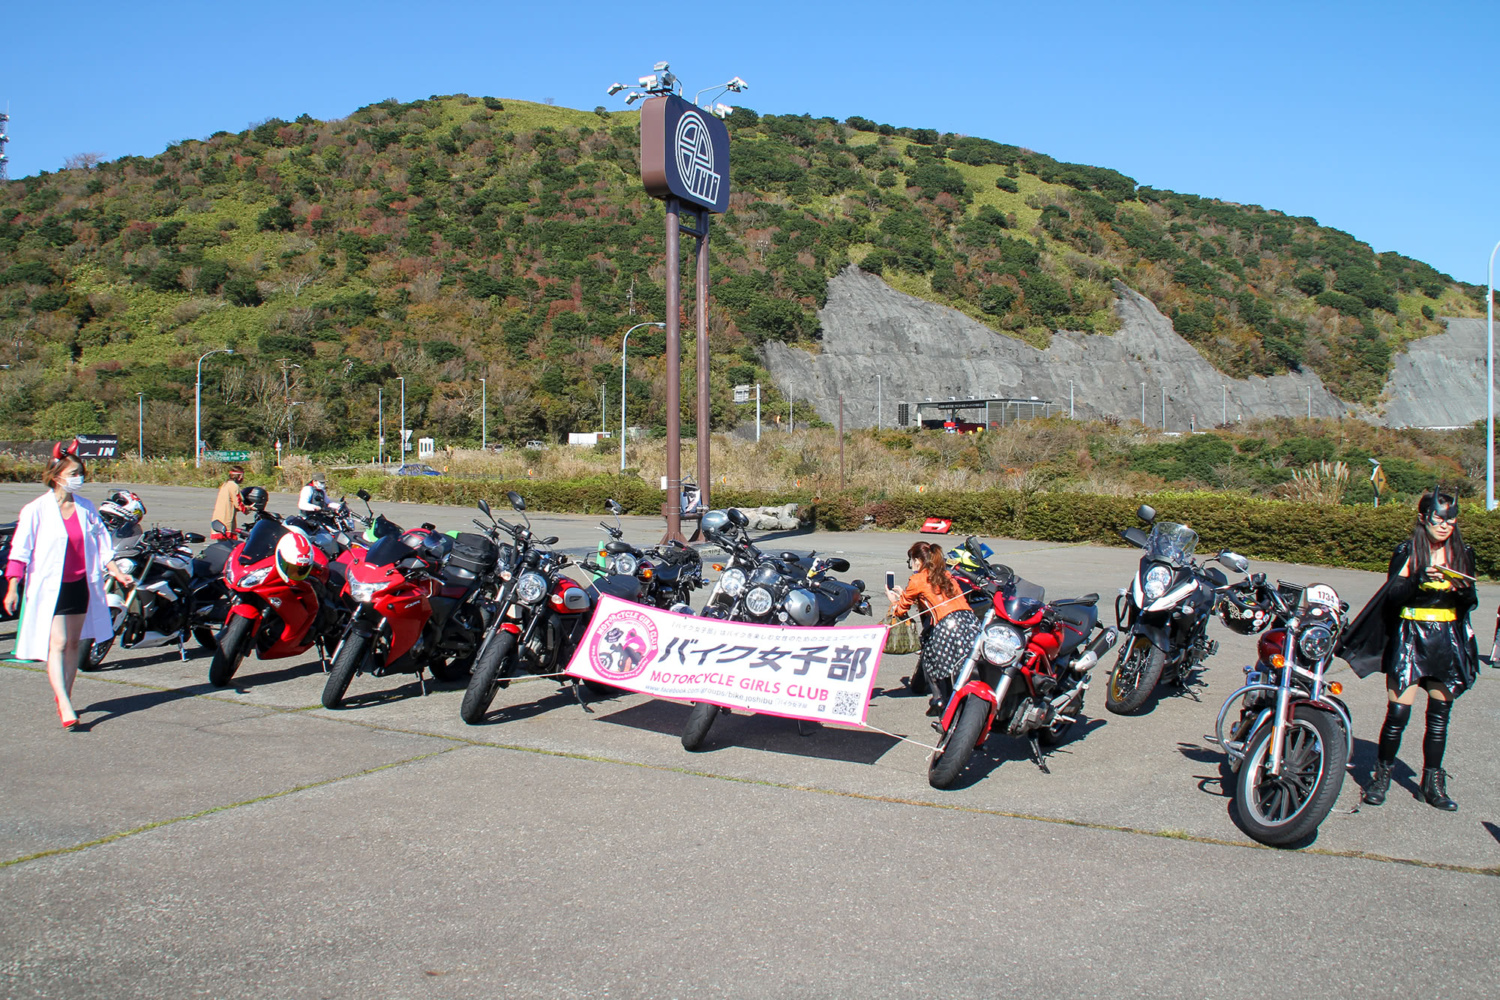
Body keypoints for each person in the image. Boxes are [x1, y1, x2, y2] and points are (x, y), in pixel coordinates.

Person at [1338, 489, 1477, 811]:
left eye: (1451, 520)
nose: (1445, 525)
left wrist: (1463, 590)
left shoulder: (1463, 552)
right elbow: (1393, 596)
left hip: (1447, 639)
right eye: (1438, 519)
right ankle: (1380, 777)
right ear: (1423, 518)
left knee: (1439, 717)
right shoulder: (1407, 550)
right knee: (1398, 714)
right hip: (1411, 637)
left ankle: (1432, 784)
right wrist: (1417, 579)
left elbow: (1471, 602)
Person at [2, 440, 133, 730]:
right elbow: (20, 551)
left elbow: (102, 545)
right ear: (56, 475)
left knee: (74, 642)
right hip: (51, 587)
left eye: (81, 473)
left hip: (81, 584)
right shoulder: (36, 510)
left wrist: (116, 572)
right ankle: (63, 701)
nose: (79, 478)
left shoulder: (86, 508)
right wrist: (12, 586)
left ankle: (66, 695)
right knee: (58, 643)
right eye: (74, 473)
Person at [886, 541, 981, 717]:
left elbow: (901, 610)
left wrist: (894, 600)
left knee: (931, 658)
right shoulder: (946, 574)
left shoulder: (917, 579)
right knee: (964, 661)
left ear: (917, 560)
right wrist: (906, 594)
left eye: (910, 560)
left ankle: (939, 699)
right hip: (969, 621)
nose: (910, 565)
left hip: (946, 623)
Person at [212, 467, 247, 538]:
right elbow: (238, 503)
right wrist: (247, 509)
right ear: (240, 476)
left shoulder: (225, 484)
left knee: (222, 541)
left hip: (218, 518)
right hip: (226, 518)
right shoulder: (234, 486)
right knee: (228, 541)